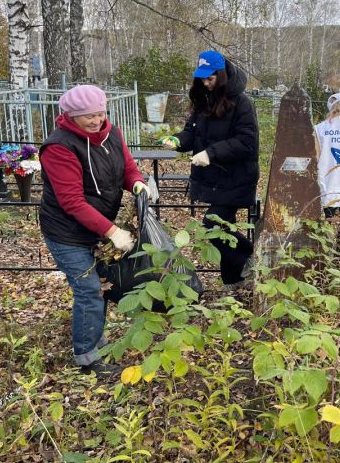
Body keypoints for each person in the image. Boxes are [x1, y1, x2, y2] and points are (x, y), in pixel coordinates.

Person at [39, 85, 150, 377]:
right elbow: (71, 201)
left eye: (100, 113)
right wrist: (113, 231)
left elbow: (127, 168)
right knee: (89, 290)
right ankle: (88, 359)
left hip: (97, 226)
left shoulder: (112, 133)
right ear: (71, 115)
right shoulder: (58, 147)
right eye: (87, 116)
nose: (96, 120)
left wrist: (137, 182)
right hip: (66, 233)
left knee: (101, 284)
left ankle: (95, 340)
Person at [161, 50, 259, 288]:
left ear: (222, 75)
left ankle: (251, 255)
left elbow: (246, 142)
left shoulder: (242, 104)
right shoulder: (204, 101)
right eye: (202, 79)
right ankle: (233, 282)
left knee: (213, 226)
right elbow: (192, 132)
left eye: (210, 78)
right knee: (222, 230)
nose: (205, 83)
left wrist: (211, 153)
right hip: (214, 179)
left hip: (236, 178)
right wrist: (178, 140)